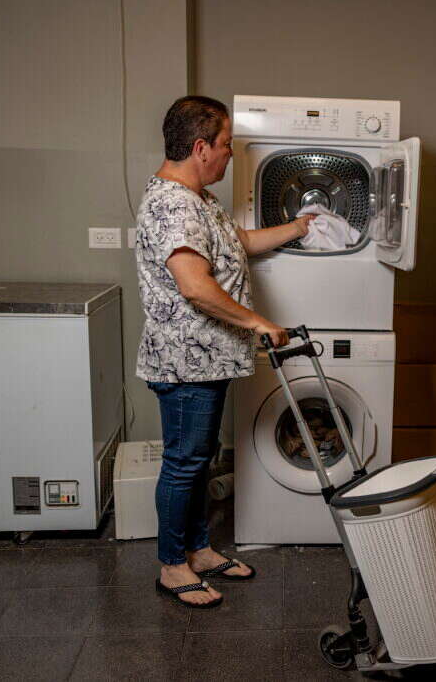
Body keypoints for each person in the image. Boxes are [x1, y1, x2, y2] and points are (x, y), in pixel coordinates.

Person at [134, 95, 315, 608]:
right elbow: (194, 286)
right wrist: (257, 320)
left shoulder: (199, 200)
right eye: (225, 144)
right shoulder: (173, 204)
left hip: (205, 358)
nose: (230, 153)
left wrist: (298, 228)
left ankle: (198, 551)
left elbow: (238, 243)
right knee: (184, 463)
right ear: (199, 147)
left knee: (196, 458)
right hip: (185, 360)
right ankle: (172, 566)